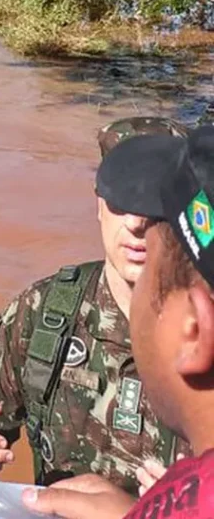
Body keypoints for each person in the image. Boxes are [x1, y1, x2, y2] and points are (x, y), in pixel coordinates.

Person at [0, 117, 191, 497]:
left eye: (155, 203)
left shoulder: (201, 330)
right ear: (99, 204)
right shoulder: (46, 312)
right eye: (120, 200)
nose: (136, 223)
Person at [23, 126, 214, 519]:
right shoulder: (48, 309)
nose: (134, 225)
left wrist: (163, 507)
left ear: (193, 328)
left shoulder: (191, 500)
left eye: (153, 270)